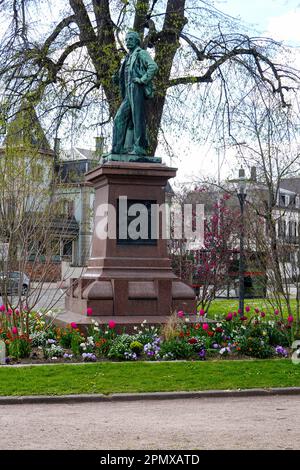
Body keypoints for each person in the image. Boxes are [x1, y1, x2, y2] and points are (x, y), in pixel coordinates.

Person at [111, 31, 158, 156]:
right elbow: (125, 75)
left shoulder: (141, 53)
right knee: (118, 119)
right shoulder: (127, 57)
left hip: (137, 89)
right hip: (127, 93)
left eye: (131, 39)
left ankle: (140, 147)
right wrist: (117, 79)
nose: (128, 42)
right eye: (126, 40)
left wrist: (143, 80)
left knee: (138, 119)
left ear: (137, 41)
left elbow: (153, 66)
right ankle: (117, 148)